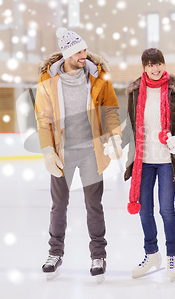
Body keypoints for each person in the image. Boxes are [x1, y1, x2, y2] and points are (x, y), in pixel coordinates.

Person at [35, 27, 122, 283]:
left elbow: (110, 111)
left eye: (85, 49)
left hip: (91, 153)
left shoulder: (98, 76)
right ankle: (54, 254)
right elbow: (43, 119)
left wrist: (115, 135)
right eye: (79, 51)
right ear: (67, 53)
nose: (85, 54)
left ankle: (98, 255)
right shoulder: (47, 80)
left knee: (94, 206)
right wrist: (48, 150)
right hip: (63, 153)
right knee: (58, 206)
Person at [123, 48, 175, 281]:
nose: (155, 68)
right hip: (143, 161)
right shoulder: (133, 91)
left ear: (163, 64)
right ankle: (151, 253)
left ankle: (173, 254)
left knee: (166, 210)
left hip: (167, 161)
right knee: (145, 211)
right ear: (144, 67)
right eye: (150, 65)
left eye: (158, 63)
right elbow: (131, 125)